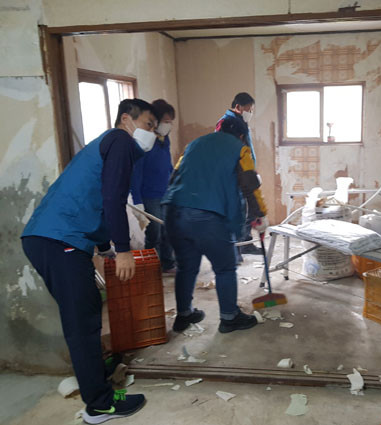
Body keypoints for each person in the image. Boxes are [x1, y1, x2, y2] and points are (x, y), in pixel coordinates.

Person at [21, 99, 157, 424]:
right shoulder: (120, 140)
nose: (153, 133)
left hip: (53, 238)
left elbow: (97, 200)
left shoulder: (109, 143)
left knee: (87, 311)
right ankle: (99, 405)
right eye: (149, 124)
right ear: (127, 119)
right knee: (82, 321)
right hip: (58, 239)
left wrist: (104, 247)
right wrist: (122, 250)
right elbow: (112, 198)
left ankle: (97, 380)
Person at [163, 118, 269, 334]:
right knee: (225, 268)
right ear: (242, 136)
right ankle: (229, 318)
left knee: (186, 267)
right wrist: (260, 214)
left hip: (174, 212)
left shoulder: (193, 145)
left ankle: (184, 315)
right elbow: (250, 184)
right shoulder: (240, 149)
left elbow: (174, 176)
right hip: (207, 216)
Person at [130, 99, 176, 274]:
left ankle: (168, 263)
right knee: (154, 232)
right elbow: (136, 173)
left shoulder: (164, 139)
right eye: (165, 121)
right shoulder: (144, 141)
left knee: (168, 230)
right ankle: (152, 268)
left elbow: (167, 163)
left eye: (170, 122)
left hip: (166, 191)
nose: (168, 125)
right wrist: (137, 200)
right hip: (149, 195)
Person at [215, 92, 263, 259]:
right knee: (235, 212)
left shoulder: (241, 122)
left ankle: (245, 244)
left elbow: (245, 151)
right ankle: (234, 250)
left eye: (252, 110)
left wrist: (252, 171)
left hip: (244, 173)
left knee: (245, 211)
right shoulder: (226, 123)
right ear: (238, 107)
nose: (250, 113)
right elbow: (225, 153)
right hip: (232, 176)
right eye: (248, 109)